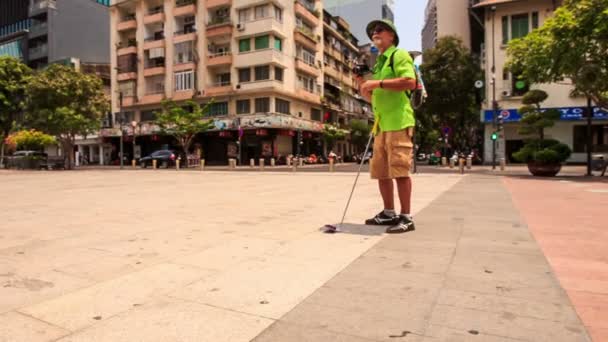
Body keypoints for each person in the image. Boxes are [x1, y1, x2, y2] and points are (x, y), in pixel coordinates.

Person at [356, 19, 418, 232]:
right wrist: (363, 85)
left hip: (398, 122)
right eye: (373, 31)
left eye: (380, 30)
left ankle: (406, 217)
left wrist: (377, 83)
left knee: (400, 170)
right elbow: (375, 96)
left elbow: (410, 82)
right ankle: (389, 213)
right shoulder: (380, 64)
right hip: (381, 125)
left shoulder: (398, 55)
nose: (375, 33)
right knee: (381, 172)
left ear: (392, 35)